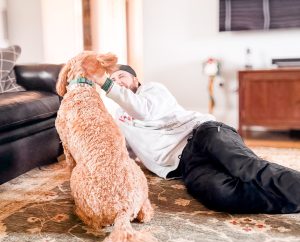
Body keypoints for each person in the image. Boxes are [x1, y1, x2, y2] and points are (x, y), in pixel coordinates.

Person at [82, 62, 300, 214]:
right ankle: (293, 199)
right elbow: (122, 149)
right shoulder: (119, 116)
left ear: (135, 79)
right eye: (111, 80)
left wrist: (105, 82)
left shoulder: (152, 90)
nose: (116, 81)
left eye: (121, 76)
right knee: (218, 193)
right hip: (184, 164)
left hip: (204, 133)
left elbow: (145, 111)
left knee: (245, 168)